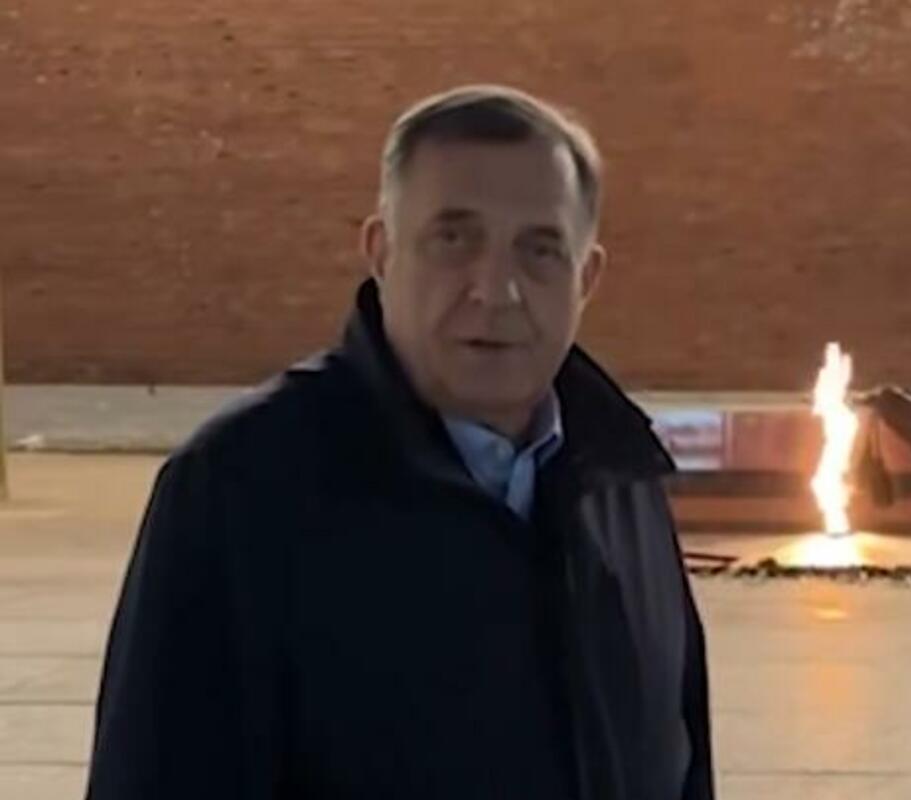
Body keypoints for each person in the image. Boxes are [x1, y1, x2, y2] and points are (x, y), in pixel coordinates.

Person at [85, 85, 713, 800]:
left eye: (540, 250)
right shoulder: (241, 491)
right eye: (454, 239)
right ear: (381, 253)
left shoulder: (622, 483)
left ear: (587, 278)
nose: (496, 291)